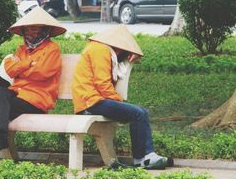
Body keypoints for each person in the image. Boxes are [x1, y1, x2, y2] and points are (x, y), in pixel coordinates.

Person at [72, 25, 174, 169]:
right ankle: (144, 157)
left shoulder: (103, 50)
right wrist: (120, 103)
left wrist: (130, 58)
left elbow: (113, 72)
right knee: (138, 113)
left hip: (94, 100)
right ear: (119, 46)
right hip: (91, 102)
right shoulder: (100, 50)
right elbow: (102, 84)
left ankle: (144, 157)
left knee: (140, 112)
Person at [0, 6, 67, 162]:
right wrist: (28, 64)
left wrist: (21, 66)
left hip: (37, 100)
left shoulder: (52, 49)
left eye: (35, 30)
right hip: (18, 94)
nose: (30, 33)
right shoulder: (22, 50)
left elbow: (42, 72)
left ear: (44, 31)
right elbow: (9, 69)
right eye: (28, 30)